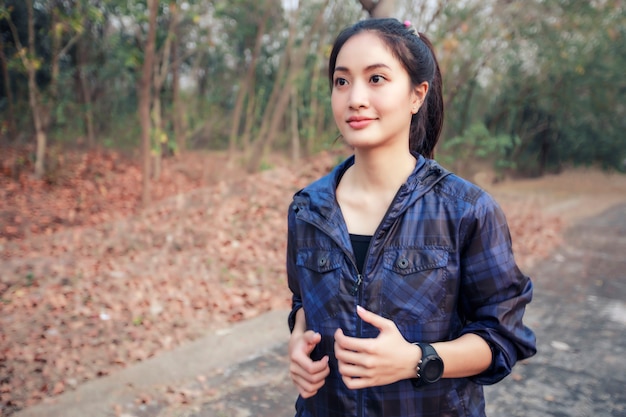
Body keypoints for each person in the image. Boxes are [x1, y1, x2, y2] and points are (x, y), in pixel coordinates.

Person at [286, 17, 536, 417]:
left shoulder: (465, 209)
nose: (355, 98)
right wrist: (298, 337)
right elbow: (303, 300)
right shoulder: (307, 208)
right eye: (342, 81)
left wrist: (416, 359)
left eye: (377, 79)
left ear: (417, 95)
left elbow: (504, 337)